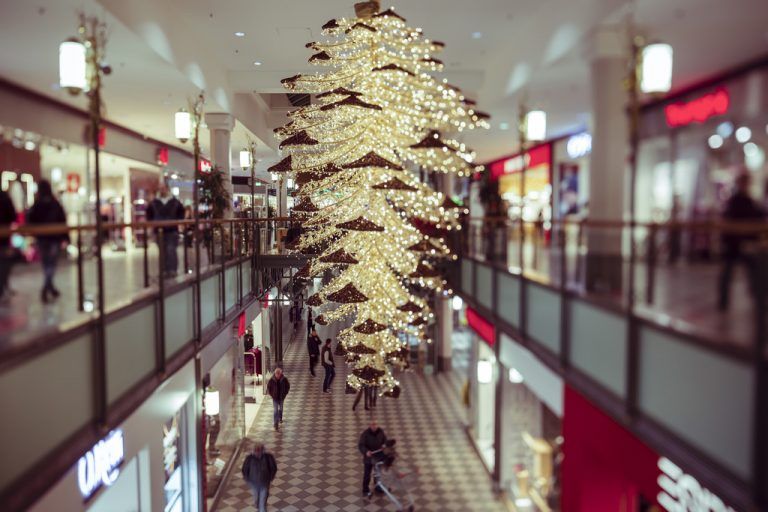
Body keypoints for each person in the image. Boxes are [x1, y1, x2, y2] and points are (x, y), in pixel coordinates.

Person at [718, 173, 765, 310]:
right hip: (734, 244)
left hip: (746, 245)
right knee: (727, 274)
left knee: (754, 274)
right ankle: (723, 302)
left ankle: (758, 301)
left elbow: (758, 217)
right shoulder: (734, 201)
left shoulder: (749, 201)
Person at [27, 180, 68, 303]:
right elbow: (62, 220)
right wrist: (65, 237)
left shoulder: (37, 204)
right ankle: (48, 287)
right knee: (50, 264)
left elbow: (30, 220)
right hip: (53, 238)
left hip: (43, 238)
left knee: (47, 264)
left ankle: (48, 287)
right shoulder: (54, 203)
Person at [146, 184, 184, 277]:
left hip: (172, 230)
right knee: (162, 251)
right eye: (160, 189)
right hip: (159, 230)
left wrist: (177, 223)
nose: (162, 190)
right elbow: (149, 215)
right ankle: (164, 270)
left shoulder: (175, 202)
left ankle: (172, 270)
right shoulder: (154, 203)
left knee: (171, 249)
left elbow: (181, 214)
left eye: (163, 188)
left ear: (167, 189)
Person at [241, 443, 277, 512]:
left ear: (262, 450)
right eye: (256, 451)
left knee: (263, 499)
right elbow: (244, 469)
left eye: (259, 450)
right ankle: (258, 504)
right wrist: (247, 479)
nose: (257, 452)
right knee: (256, 497)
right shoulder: (249, 458)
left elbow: (273, 468)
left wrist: (270, 478)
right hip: (253, 483)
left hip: (264, 482)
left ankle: (262, 508)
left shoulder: (268, 457)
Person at [358, 420, 387, 498]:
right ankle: (365, 490)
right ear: (370, 425)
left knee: (378, 472)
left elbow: (384, 440)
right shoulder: (365, 434)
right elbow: (361, 445)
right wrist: (366, 451)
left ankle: (378, 486)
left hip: (378, 456)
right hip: (369, 458)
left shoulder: (380, 431)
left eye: (375, 424)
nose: (374, 426)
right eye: (372, 424)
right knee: (367, 474)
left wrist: (384, 445)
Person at [0, 189, 17, 303]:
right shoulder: (5, 198)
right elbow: (13, 215)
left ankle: (3, 287)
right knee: (5, 264)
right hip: (5, 237)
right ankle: (3, 286)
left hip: (5, 237)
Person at [266, 367, 290, 431]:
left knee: (281, 409)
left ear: (281, 374)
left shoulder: (284, 379)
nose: (278, 375)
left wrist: (285, 393)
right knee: (275, 410)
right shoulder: (272, 380)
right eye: (277, 374)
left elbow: (288, 386)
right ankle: (275, 424)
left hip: (281, 397)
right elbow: (268, 388)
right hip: (275, 398)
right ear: (275, 374)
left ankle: (280, 418)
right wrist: (272, 395)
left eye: (279, 374)